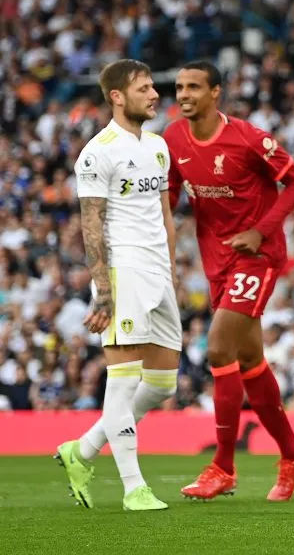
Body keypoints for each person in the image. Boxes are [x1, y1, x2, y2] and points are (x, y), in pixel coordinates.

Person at [164, 61, 294, 501]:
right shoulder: (173, 137)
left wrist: (261, 231)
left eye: (193, 86)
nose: (184, 94)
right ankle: (293, 454)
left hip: (258, 255)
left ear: (216, 93)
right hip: (216, 263)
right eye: (179, 87)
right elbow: (171, 191)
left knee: (217, 347)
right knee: (249, 359)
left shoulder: (248, 138)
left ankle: (223, 467)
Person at [57, 59, 181, 511]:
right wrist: (103, 290)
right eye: (145, 89)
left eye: (153, 87)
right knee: (124, 382)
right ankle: (134, 488)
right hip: (123, 270)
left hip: (157, 272)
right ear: (116, 96)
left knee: (163, 384)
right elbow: (92, 224)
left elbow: (163, 211)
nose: (154, 95)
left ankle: (82, 450)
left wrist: (171, 266)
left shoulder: (158, 146)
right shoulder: (97, 152)